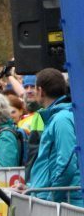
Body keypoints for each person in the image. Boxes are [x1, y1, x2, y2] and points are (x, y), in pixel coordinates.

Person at [27, 68, 82, 205]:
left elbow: (67, 163)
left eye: (34, 88)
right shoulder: (56, 118)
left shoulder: (61, 119)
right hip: (53, 199)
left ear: (40, 90)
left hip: (63, 204)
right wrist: (32, 187)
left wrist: (52, 198)